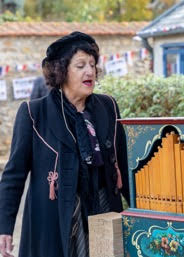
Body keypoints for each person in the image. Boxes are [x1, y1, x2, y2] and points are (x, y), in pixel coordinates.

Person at [0, 31, 130, 257]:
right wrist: (4, 227)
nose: (90, 71)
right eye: (80, 65)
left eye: (92, 64)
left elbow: (124, 164)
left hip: (103, 210)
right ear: (62, 71)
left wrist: (145, 213)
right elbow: (14, 175)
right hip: (54, 217)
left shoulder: (107, 106)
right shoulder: (33, 113)